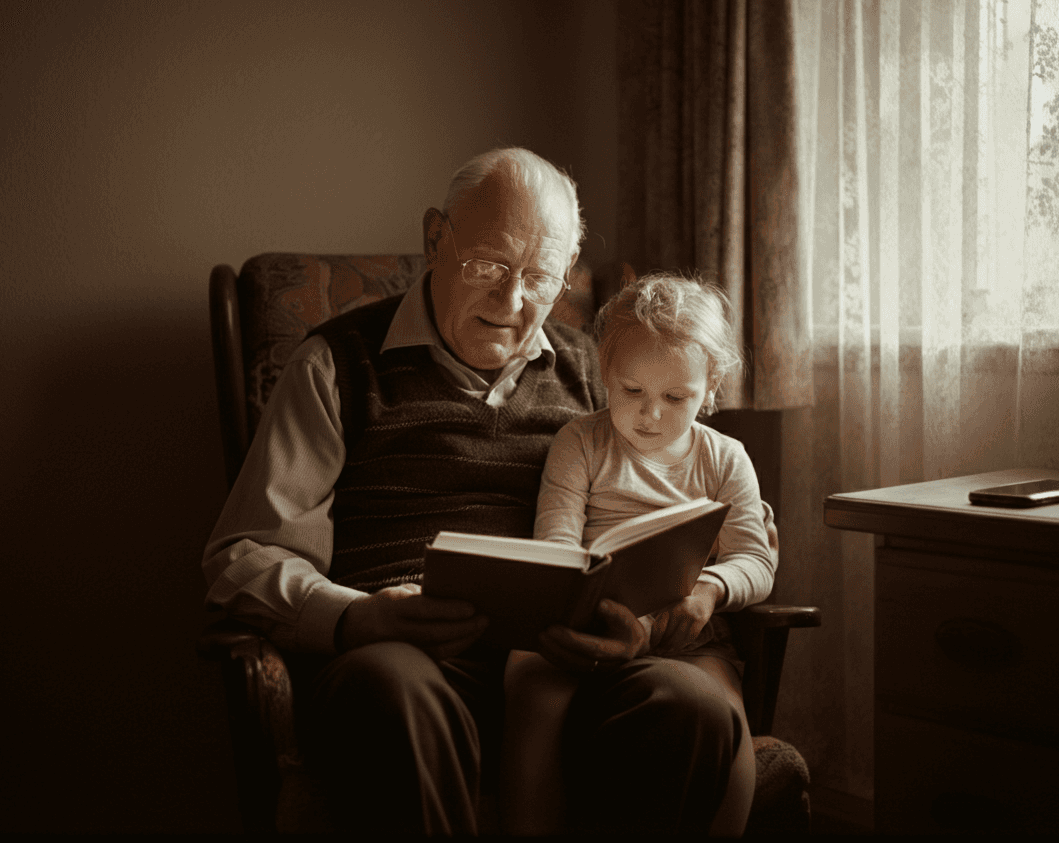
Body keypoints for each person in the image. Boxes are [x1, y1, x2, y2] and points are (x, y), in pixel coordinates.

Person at [202, 147, 763, 834]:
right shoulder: (335, 366)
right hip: (406, 656)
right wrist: (358, 617)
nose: (512, 301)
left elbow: (691, 506)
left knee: (690, 708)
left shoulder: (601, 373)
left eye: (540, 278)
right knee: (390, 691)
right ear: (435, 238)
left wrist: (632, 622)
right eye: (490, 267)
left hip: (570, 661)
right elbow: (245, 554)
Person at [500, 272, 778, 835]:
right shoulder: (580, 442)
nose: (650, 415)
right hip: (586, 626)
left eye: (676, 398)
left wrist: (709, 590)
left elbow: (756, 559)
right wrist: (580, 601)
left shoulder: (726, 459)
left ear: (711, 386)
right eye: (631, 391)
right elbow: (554, 543)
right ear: (604, 372)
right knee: (531, 691)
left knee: (731, 733)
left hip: (688, 635)